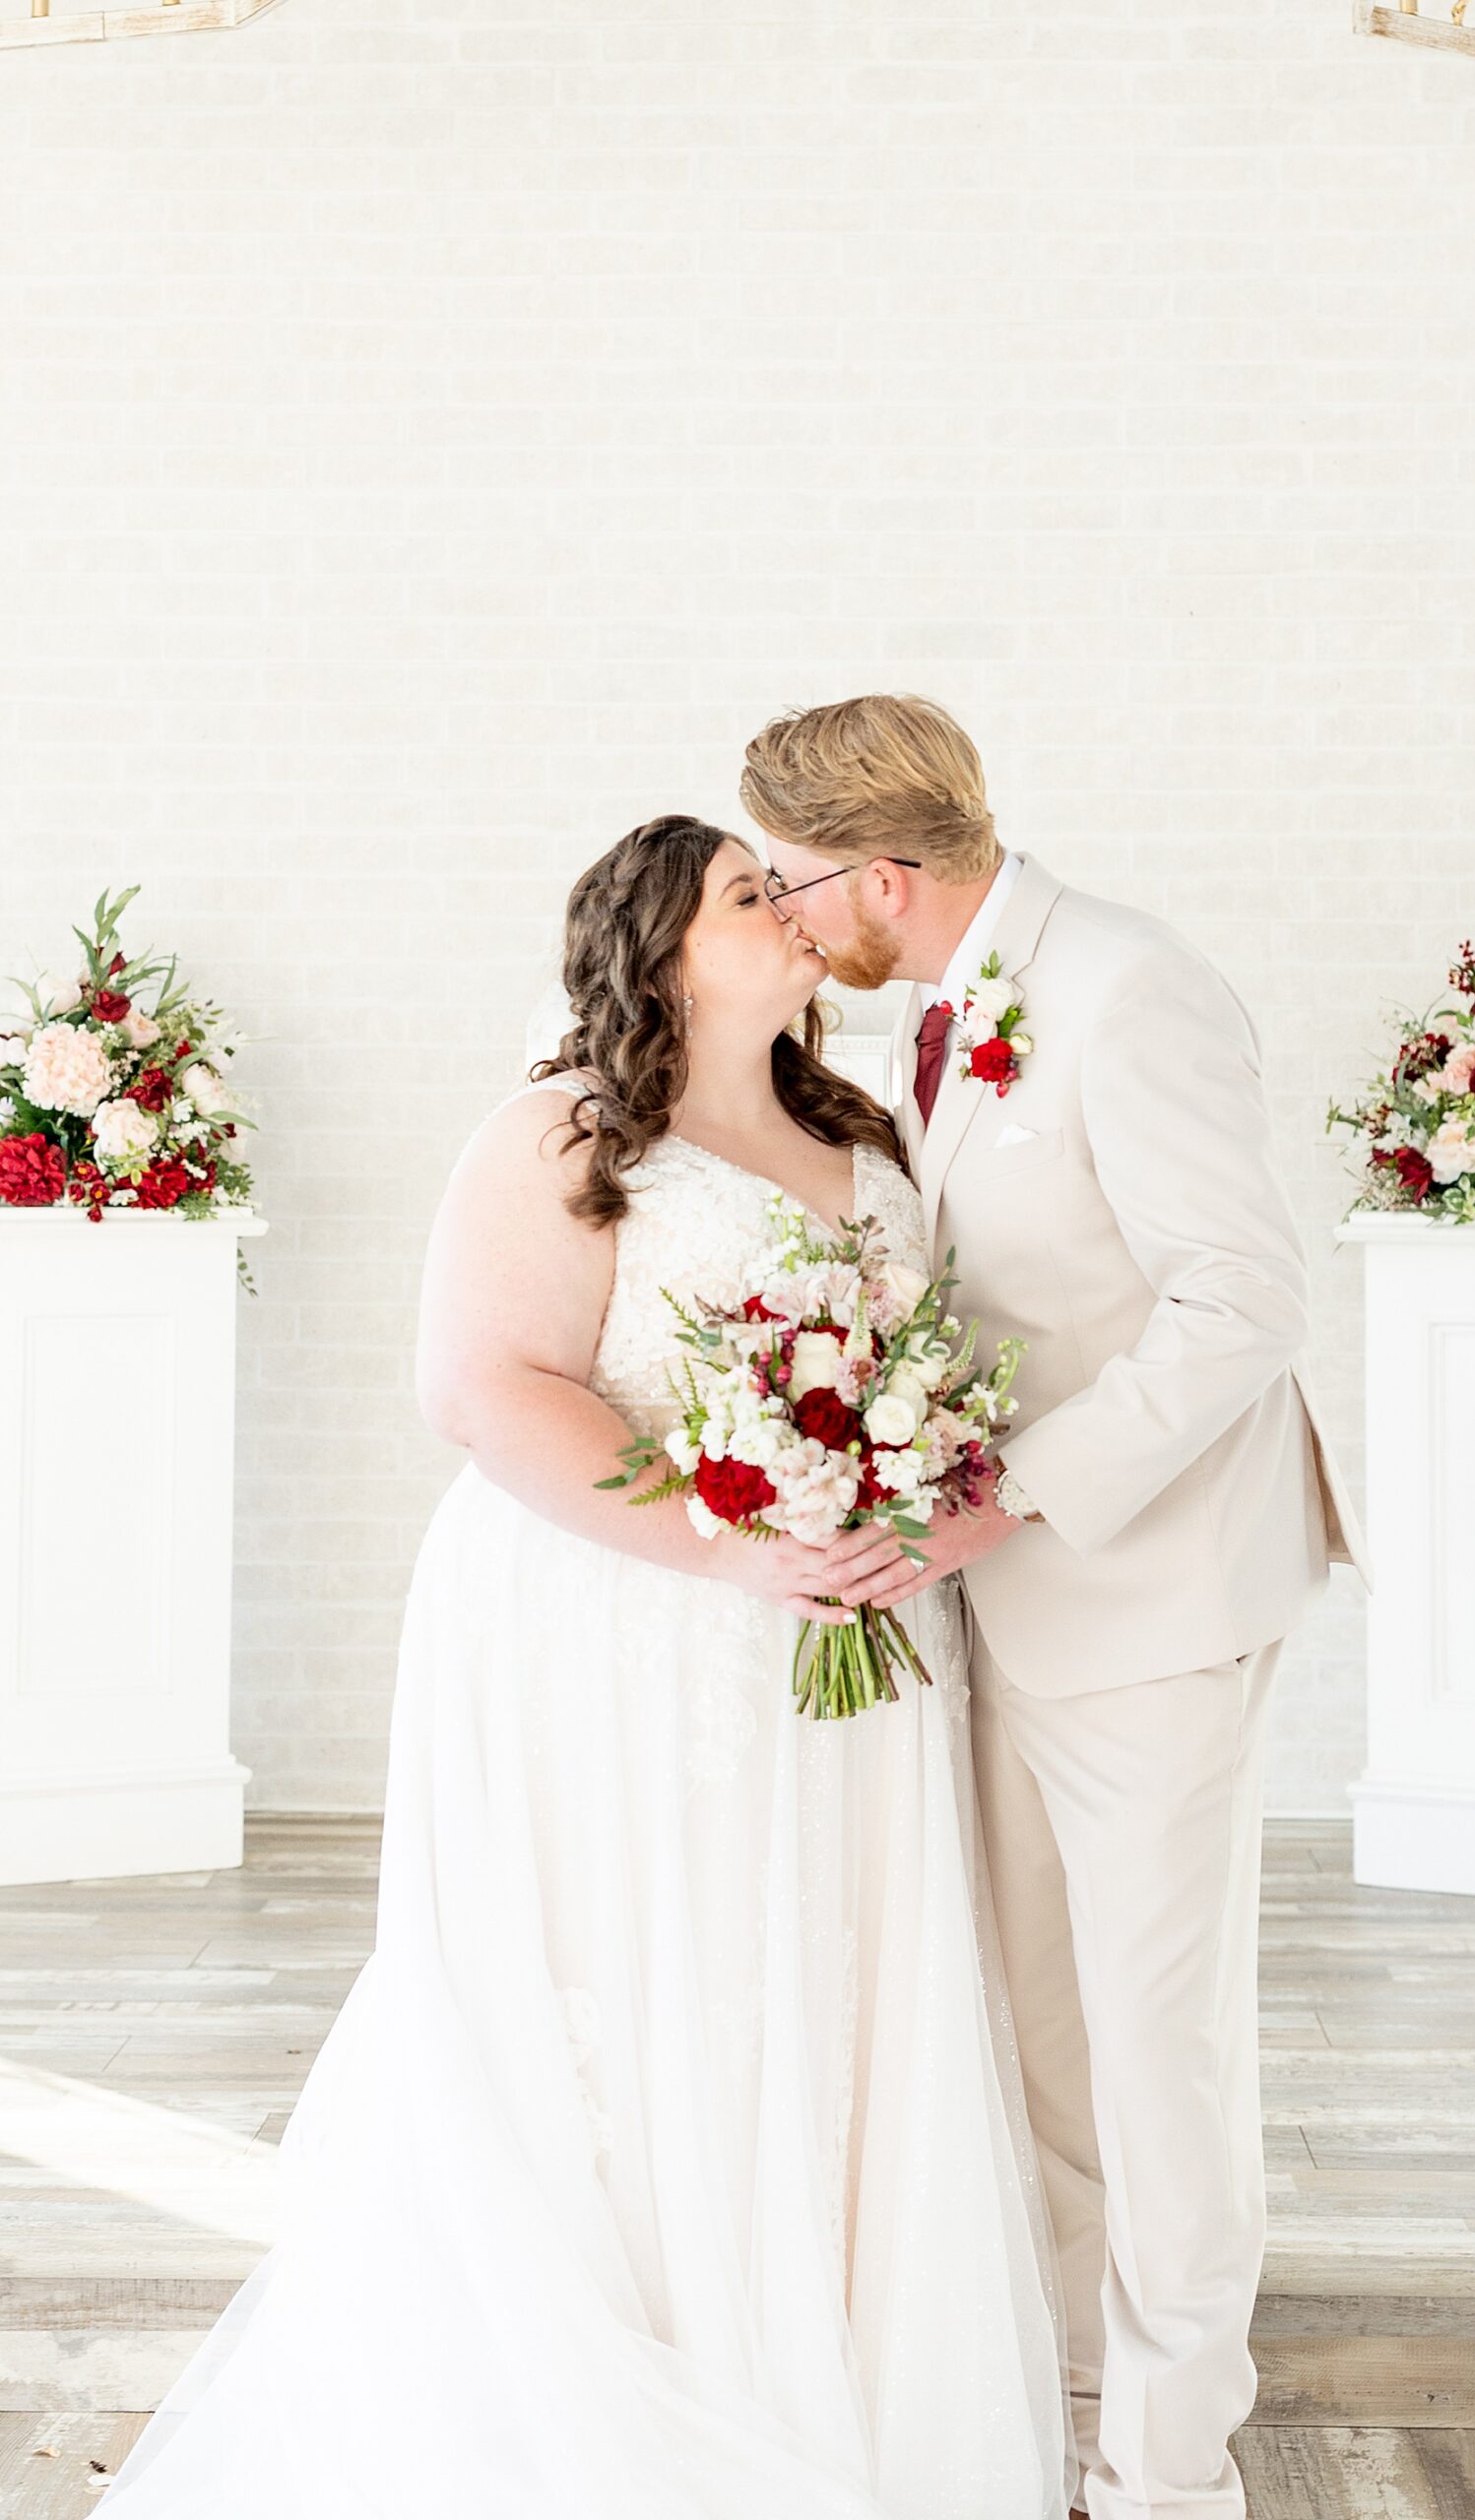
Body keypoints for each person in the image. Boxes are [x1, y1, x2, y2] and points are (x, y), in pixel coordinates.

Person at [97, 812, 1075, 2520]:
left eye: (784, 883)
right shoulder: (569, 1130)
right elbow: (487, 1385)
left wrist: (909, 1522)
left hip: (840, 1640)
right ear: (660, 943)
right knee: (634, 1976)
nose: (788, 905)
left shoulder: (872, 1131)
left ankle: (814, 2373)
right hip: (617, 1637)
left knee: (823, 1978)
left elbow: (942, 1379)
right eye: (747, 892)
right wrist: (733, 1540)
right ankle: (624, 2379)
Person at [739, 696, 1375, 2520]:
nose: (788, 924)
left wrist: (997, 1500)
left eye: (791, 888)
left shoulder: (1123, 985)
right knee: (1042, 2033)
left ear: (883, 871)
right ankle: (1079, 2396)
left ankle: (1175, 2476)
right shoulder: (934, 1007)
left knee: (1160, 2055)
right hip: (1004, 1617)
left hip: (1159, 1598)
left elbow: (1243, 1305)